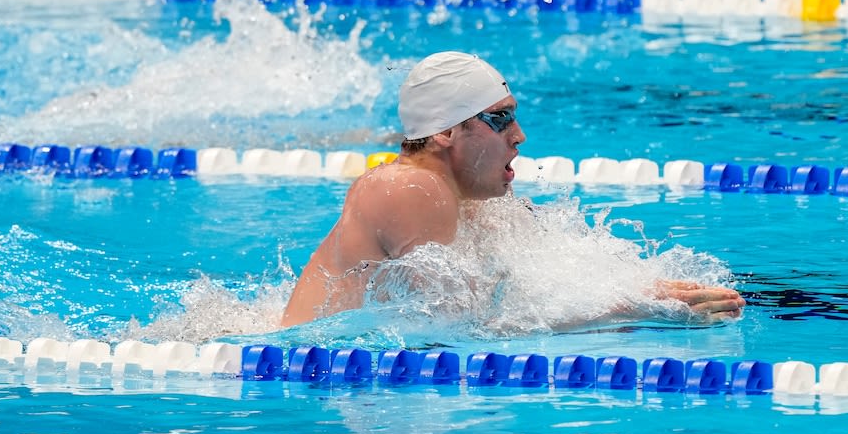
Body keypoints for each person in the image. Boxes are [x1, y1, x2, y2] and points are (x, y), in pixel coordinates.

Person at [281, 50, 745, 328]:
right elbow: (462, 326)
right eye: (499, 118)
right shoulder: (408, 187)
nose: (519, 135)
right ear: (445, 132)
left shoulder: (467, 198)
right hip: (308, 374)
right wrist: (626, 310)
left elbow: (545, 276)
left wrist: (646, 290)